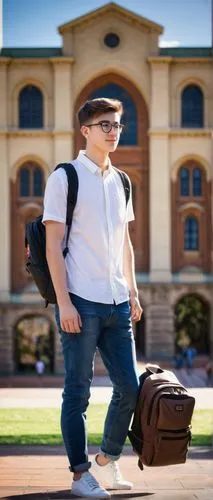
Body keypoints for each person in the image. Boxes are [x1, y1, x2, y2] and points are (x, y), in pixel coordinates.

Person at [42, 97, 143, 498]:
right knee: (77, 391)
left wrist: (132, 289)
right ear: (85, 130)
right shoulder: (64, 177)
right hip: (80, 301)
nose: (114, 131)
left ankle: (108, 458)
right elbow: (53, 246)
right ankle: (80, 474)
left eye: (118, 125)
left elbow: (126, 242)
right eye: (105, 125)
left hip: (118, 301)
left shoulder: (122, 181)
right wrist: (64, 302)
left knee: (131, 388)